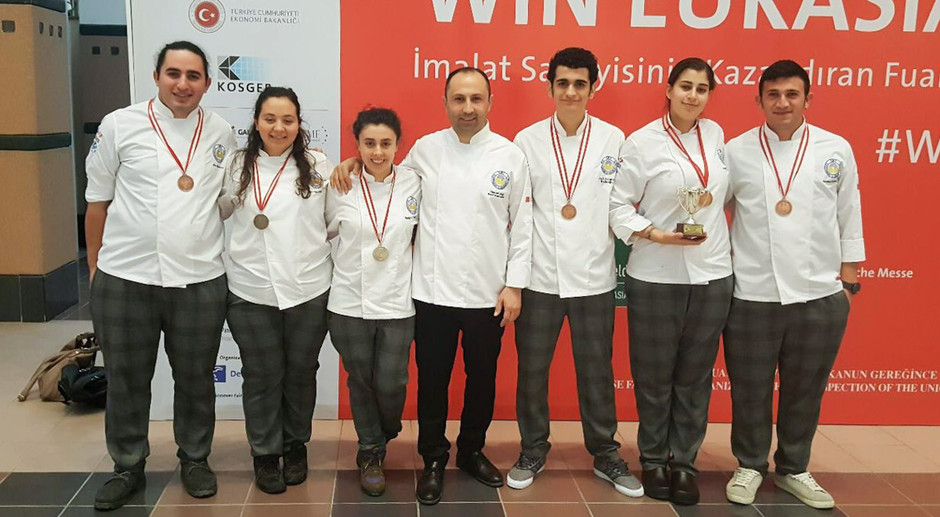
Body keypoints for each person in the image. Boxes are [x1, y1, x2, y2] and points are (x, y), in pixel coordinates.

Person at [331, 67, 532, 505]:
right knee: (433, 382)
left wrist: (515, 284)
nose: (467, 108)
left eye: (476, 99)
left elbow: (523, 224)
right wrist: (351, 163)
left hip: (489, 292)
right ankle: (434, 458)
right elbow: (384, 175)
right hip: (431, 292)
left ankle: (472, 450)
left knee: (482, 378)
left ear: (490, 102)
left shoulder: (510, 155)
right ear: (445, 103)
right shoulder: (426, 149)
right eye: (458, 99)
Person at [85, 40, 236, 510]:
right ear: (156, 77)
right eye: (173, 73)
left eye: (193, 76)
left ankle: (195, 459)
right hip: (126, 277)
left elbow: (225, 197)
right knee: (127, 379)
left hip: (199, 278)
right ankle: (127, 466)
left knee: (196, 379)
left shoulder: (221, 131)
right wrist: (95, 268)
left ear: (207, 84)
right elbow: (97, 202)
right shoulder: (119, 124)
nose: (182, 84)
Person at [723, 59, 864, 510]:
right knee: (750, 387)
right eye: (773, 94)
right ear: (759, 100)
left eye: (791, 94)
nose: (782, 102)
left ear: (808, 98)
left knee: (805, 388)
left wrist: (849, 282)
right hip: (753, 293)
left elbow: (849, 212)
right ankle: (749, 464)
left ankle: (794, 467)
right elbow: (709, 208)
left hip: (818, 292)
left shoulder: (835, 148)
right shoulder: (736, 150)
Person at [508, 47, 642, 497]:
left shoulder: (613, 139)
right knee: (532, 372)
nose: (570, 91)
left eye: (579, 84)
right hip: (540, 278)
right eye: (562, 83)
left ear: (592, 89)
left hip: (593, 278)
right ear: (549, 87)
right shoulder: (526, 140)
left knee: (596, 372)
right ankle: (532, 449)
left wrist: (650, 232)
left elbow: (620, 205)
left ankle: (605, 453)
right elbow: (519, 213)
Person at [610, 57, 733, 505]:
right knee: (654, 376)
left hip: (712, 274)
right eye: (685, 86)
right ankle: (653, 459)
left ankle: (684, 463)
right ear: (668, 89)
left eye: (701, 89)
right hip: (655, 274)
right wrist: (657, 234)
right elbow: (617, 206)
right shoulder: (641, 142)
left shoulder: (716, 136)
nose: (692, 96)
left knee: (695, 377)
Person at [218, 86, 333, 494]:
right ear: (256, 121)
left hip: (309, 288)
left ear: (299, 124)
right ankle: (265, 453)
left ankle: (295, 446)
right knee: (261, 376)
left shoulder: (317, 165)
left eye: (288, 120)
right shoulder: (236, 165)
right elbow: (217, 210)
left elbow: (334, 220)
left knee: (301, 373)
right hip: (250, 290)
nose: (279, 128)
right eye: (270, 119)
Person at [325, 107, 421, 496]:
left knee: (392, 381)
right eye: (368, 144)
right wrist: (346, 166)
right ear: (357, 146)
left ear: (398, 146)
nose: (377, 152)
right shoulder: (339, 185)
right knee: (361, 381)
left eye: (385, 143)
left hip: (398, 302)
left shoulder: (415, 182)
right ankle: (369, 452)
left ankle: (385, 430)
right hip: (349, 301)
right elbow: (319, 233)